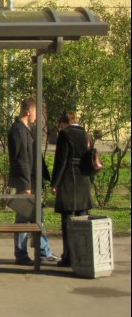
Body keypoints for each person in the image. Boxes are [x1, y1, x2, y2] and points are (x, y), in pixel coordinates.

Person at [7, 97, 57, 265]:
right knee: (23, 219)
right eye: (36, 113)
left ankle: (43, 251)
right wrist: (26, 185)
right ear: (28, 112)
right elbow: (21, 159)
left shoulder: (25, 129)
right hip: (26, 183)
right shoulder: (18, 130)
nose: (37, 117)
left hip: (32, 181)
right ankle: (21, 254)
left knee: (37, 217)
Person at [50, 112, 93, 268]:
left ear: (64, 123)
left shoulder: (65, 135)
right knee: (82, 221)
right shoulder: (86, 134)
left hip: (68, 180)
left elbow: (61, 160)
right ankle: (82, 256)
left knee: (67, 222)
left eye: (59, 124)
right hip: (84, 180)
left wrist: (54, 183)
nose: (58, 127)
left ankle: (67, 257)